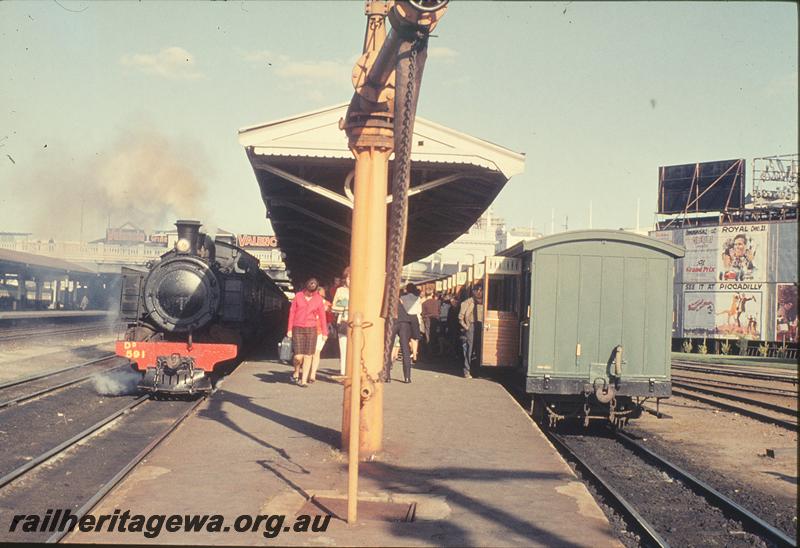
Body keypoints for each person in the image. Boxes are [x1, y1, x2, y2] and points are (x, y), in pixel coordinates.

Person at [286, 278, 326, 387]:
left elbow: (322, 316)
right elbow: (292, 313)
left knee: (308, 355)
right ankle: (296, 370)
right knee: (298, 356)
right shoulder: (298, 296)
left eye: (313, 291)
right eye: (309, 291)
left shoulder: (318, 299)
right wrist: (289, 329)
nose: (311, 294)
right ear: (306, 287)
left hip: (311, 329)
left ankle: (303, 380)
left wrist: (325, 332)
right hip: (297, 328)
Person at [458, 283, 484, 379]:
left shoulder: (485, 303)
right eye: (477, 290)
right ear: (473, 291)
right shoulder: (468, 302)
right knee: (469, 349)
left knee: (479, 349)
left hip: (482, 327)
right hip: (471, 326)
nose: (479, 292)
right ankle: (467, 371)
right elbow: (460, 317)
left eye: (481, 290)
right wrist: (466, 327)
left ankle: (477, 371)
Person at [331, 267, 351, 377]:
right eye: (348, 278)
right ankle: (343, 371)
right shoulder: (340, 291)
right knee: (343, 348)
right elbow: (334, 307)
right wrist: (345, 307)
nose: (350, 281)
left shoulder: (361, 290)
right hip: (343, 322)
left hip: (357, 323)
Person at [400, 283, 422, 362]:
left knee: (406, 337)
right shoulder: (418, 298)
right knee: (414, 337)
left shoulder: (403, 298)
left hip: (405, 317)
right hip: (414, 317)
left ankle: (409, 352)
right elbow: (420, 310)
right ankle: (415, 355)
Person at [421, 289, 440, 358]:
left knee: (428, 334)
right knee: (434, 334)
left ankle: (429, 351)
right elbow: (439, 311)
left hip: (427, 319)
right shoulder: (437, 302)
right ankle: (435, 350)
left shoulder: (424, 303)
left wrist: (424, 319)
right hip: (435, 319)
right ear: (432, 294)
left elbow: (423, 313)